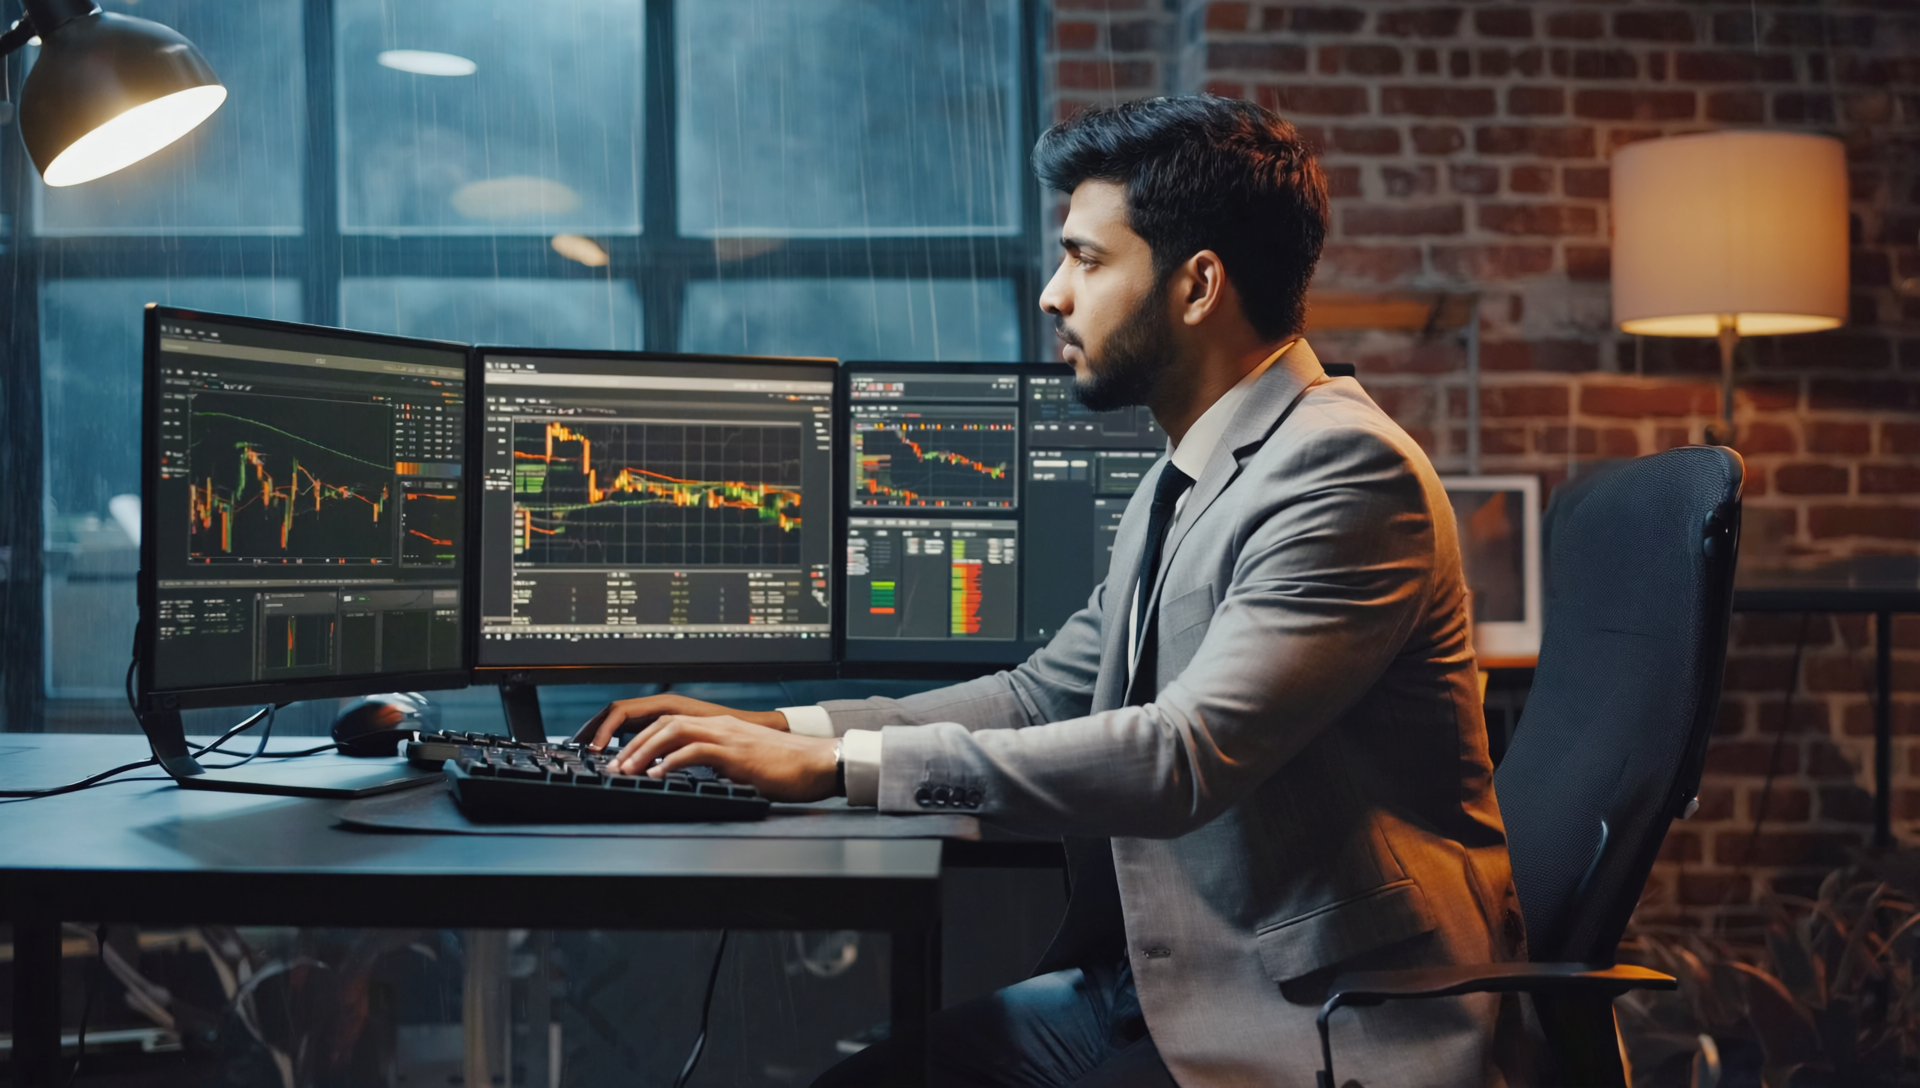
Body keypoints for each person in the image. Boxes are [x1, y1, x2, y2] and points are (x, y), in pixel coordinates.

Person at [581, 95, 1525, 1088]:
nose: (1051, 294)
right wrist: (779, 727)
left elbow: (1182, 754)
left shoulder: (1344, 470)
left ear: (1198, 284)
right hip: (1163, 990)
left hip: (1315, 1023)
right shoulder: (1189, 470)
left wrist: (837, 766)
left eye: (1087, 258)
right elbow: (1043, 692)